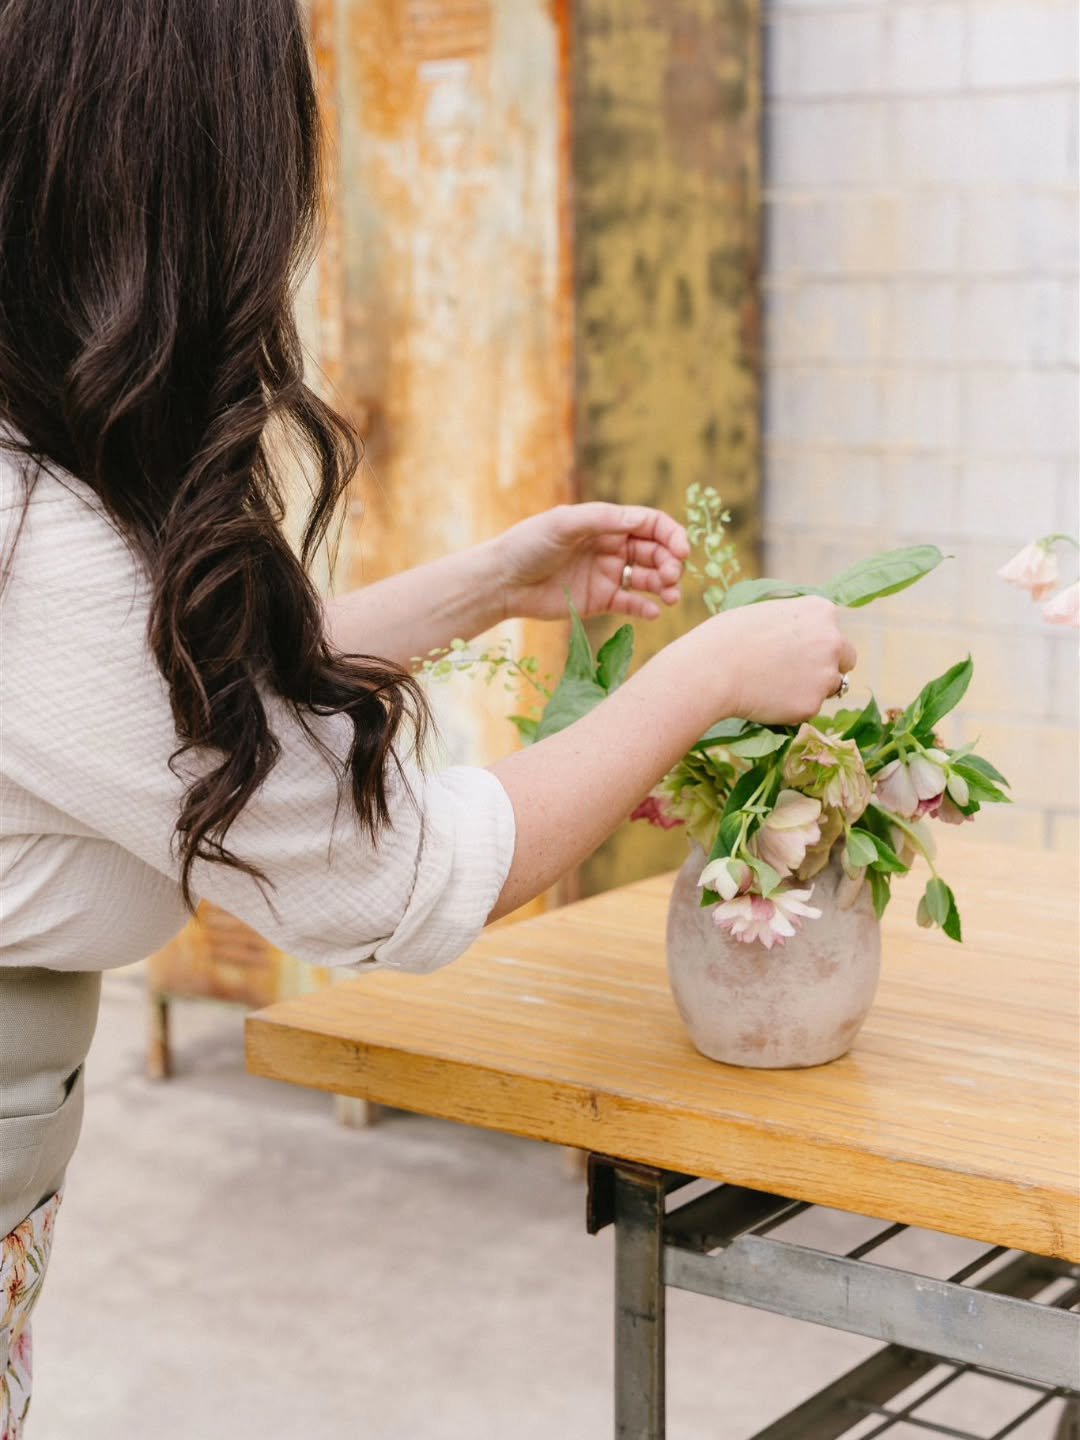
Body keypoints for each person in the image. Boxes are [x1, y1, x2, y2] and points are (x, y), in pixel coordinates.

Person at [0, 1, 854, 1431]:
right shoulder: (45, 539)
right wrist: (700, 680)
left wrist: (484, 584)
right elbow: (396, 881)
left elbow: (145, 721)